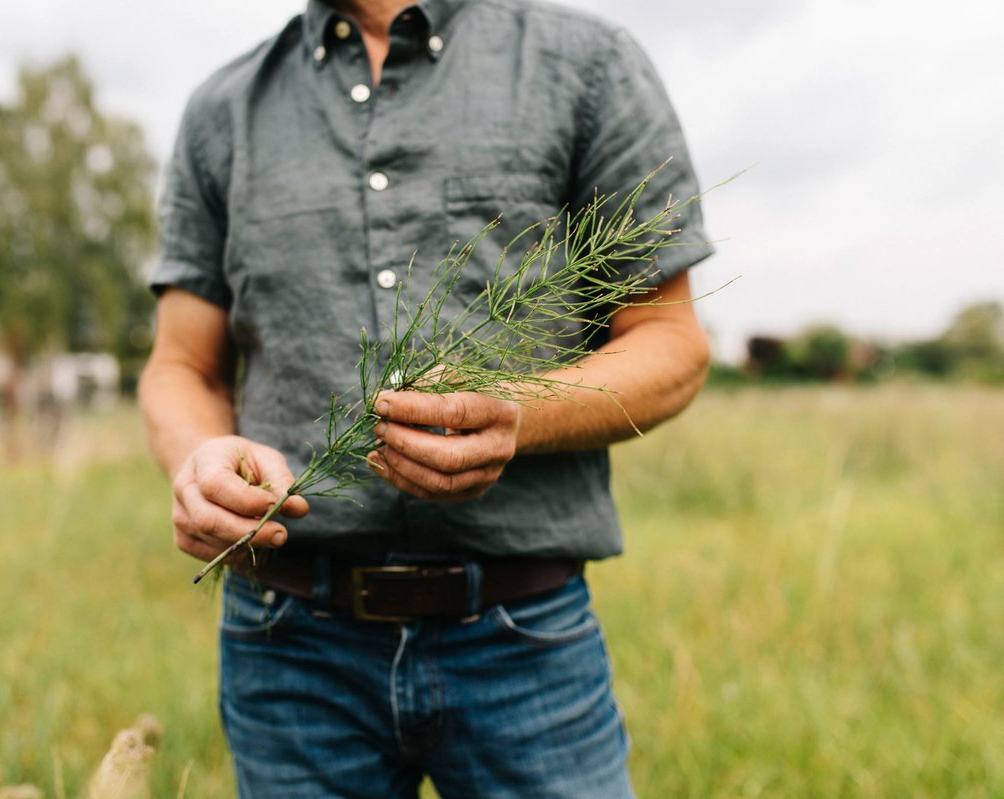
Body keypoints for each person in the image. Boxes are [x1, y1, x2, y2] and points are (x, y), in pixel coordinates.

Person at [139, 0, 713, 795]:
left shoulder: (586, 65)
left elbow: (671, 344)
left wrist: (517, 411)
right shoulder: (222, 110)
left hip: (522, 637)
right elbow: (182, 367)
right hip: (288, 645)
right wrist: (198, 454)